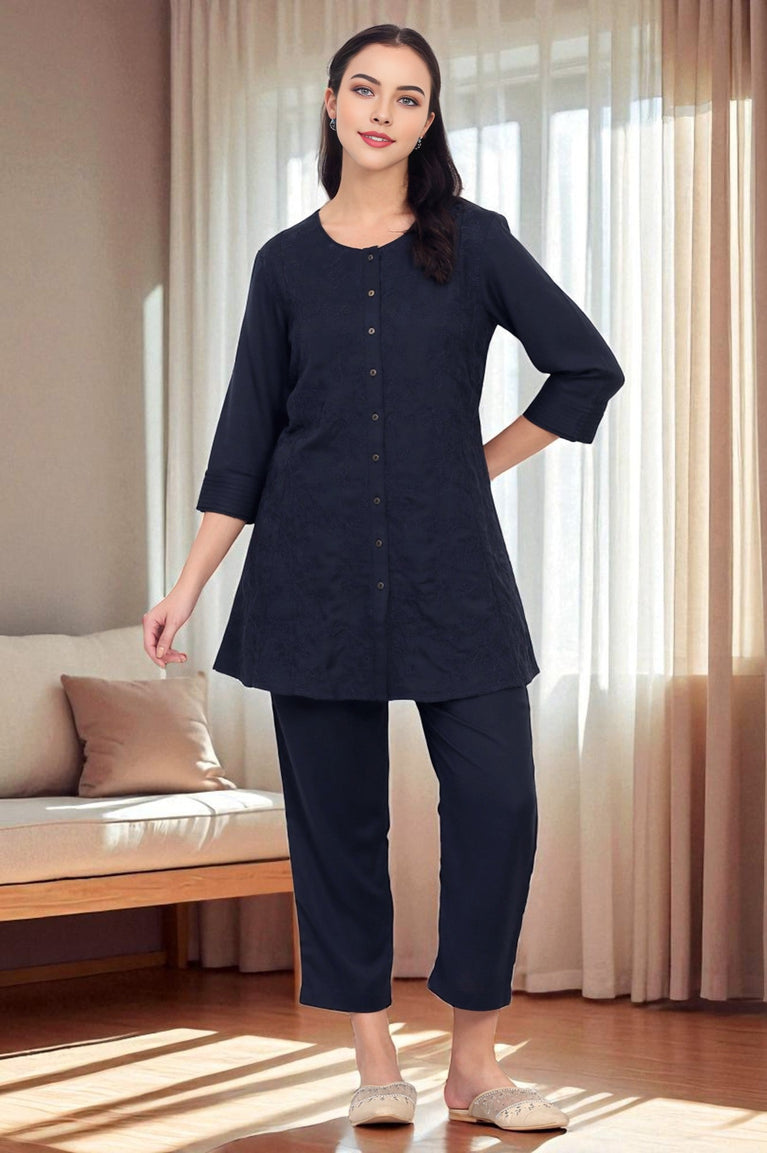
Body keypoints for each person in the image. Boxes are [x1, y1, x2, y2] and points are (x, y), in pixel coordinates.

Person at [143, 22, 624, 1134]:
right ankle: (372, 1054)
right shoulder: (282, 264)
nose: (382, 112)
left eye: (407, 98)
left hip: (453, 573)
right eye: (365, 90)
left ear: (427, 120)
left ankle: (473, 1062)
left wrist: (473, 463)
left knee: (499, 802)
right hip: (307, 576)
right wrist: (187, 585)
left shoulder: (476, 243)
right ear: (330, 103)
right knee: (339, 823)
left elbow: (584, 367)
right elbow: (244, 440)